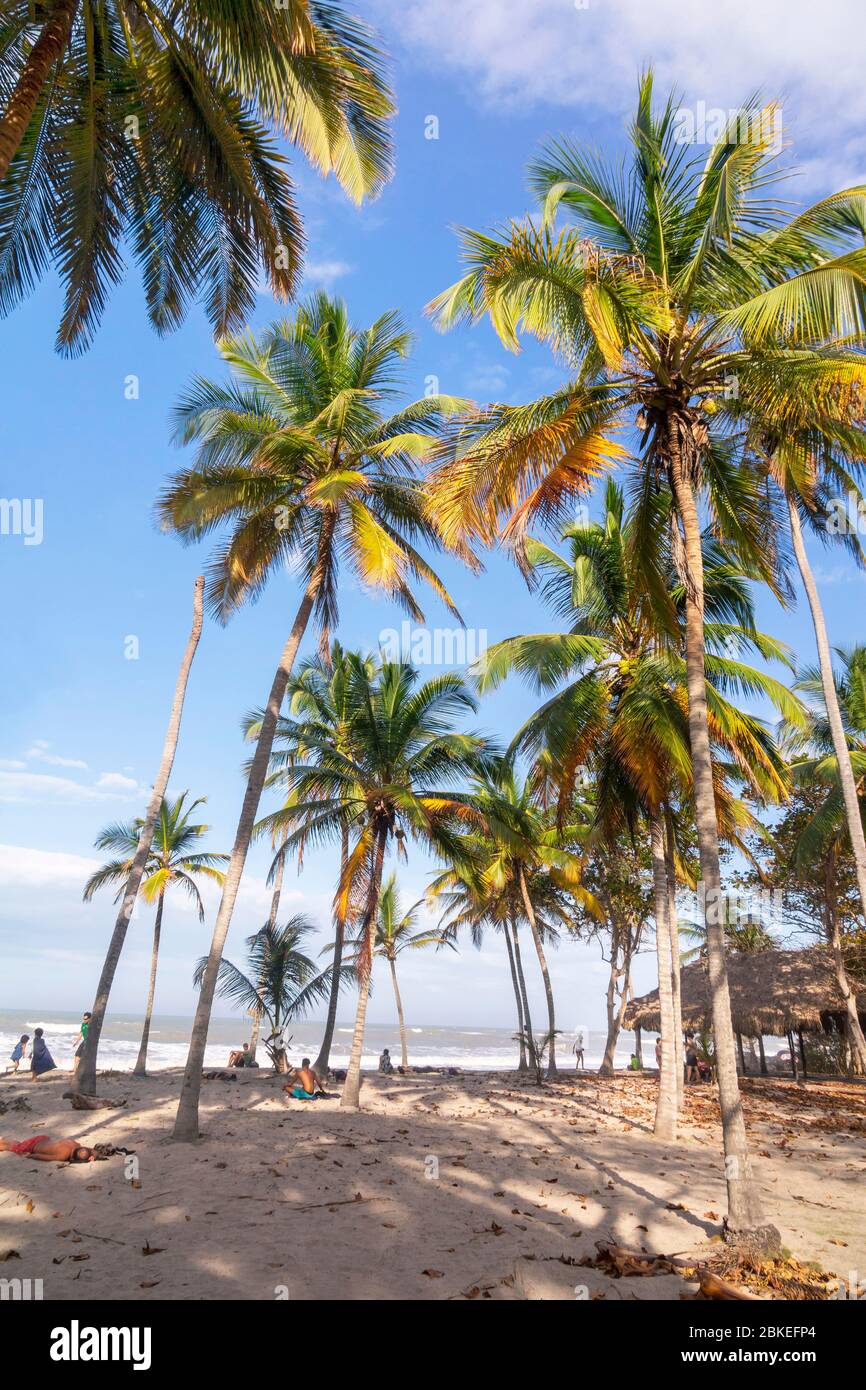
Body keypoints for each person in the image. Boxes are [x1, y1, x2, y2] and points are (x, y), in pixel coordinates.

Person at [1, 1135, 102, 1163]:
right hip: (34, 1145)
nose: (84, 1151)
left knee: (18, 1145)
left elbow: (45, 1157)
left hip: (42, 1139)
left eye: (83, 1154)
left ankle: (3, 1139)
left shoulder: (76, 1145)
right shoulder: (72, 1149)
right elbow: (42, 1157)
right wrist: (31, 1156)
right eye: (86, 1151)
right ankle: (3, 1141)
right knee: (13, 1148)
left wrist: (93, 1155)